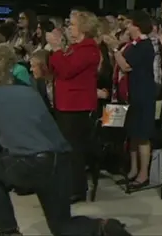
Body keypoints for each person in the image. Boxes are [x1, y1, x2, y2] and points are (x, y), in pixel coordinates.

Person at [0, 62, 131, 236]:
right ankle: (103, 227)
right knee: (62, 227)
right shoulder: (30, 92)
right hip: (60, 159)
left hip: (28, 163)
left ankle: (7, 230)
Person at [48, 10, 100, 203]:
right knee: (67, 147)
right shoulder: (74, 48)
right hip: (65, 104)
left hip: (77, 106)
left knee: (74, 149)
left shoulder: (89, 49)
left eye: (73, 25)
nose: (69, 28)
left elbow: (67, 70)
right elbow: (57, 68)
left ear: (84, 28)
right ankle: (68, 184)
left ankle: (77, 189)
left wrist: (56, 50)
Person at [112, 10, 156, 189]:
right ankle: (133, 170)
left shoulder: (145, 45)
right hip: (131, 94)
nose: (127, 27)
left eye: (130, 24)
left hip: (143, 94)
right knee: (132, 133)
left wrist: (115, 49)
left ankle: (143, 174)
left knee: (142, 135)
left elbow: (125, 66)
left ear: (137, 26)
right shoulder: (133, 44)